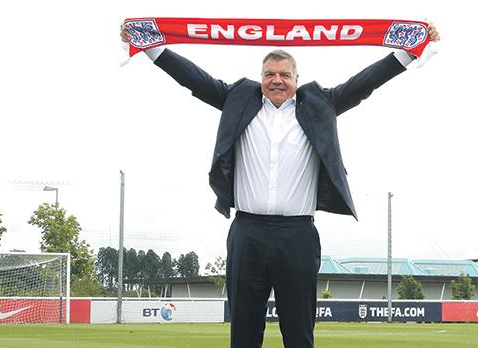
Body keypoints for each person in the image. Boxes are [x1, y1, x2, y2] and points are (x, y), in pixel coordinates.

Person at [121, 22, 440, 348]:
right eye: (270, 74)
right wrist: (149, 45)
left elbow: (364, 84)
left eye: (285, 74)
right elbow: (193, 78)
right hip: (247, 232)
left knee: (299, 331)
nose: (277, 80)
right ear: (261, 80)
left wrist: (409, 51)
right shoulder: (238, 99)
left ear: (296, 80)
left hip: (298, 236)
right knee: (243, 331)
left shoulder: (321, 104)